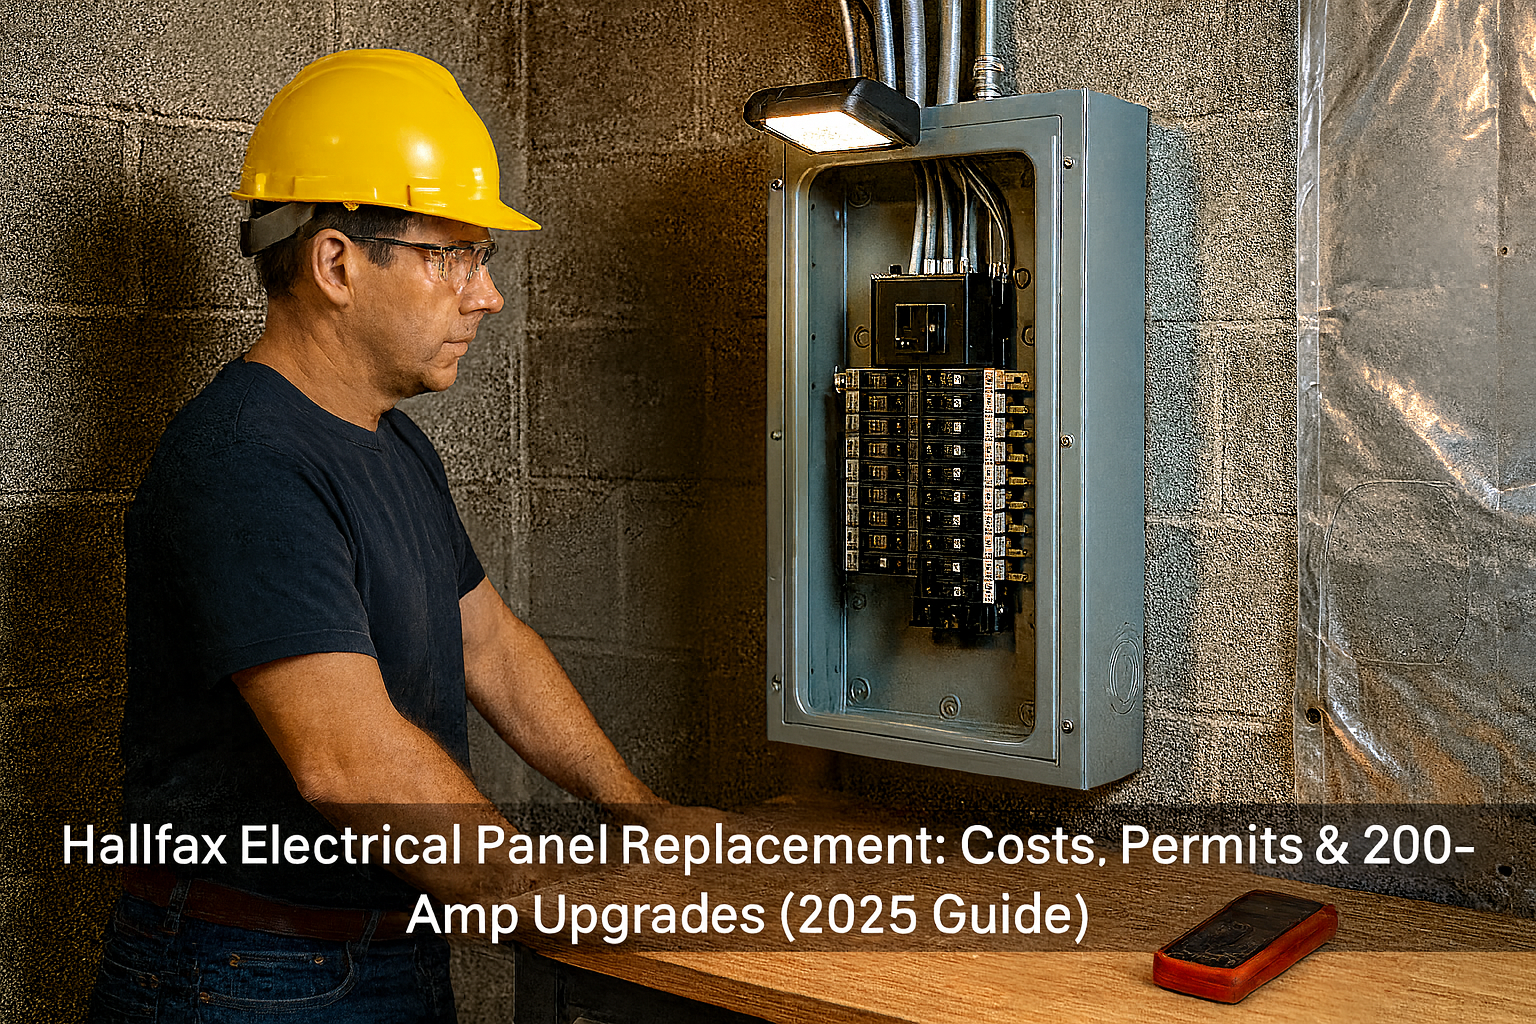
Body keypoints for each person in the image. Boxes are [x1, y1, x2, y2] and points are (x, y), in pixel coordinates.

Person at [88, 49, 669, 1023]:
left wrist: (641, 816)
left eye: (481, 259)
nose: (484, 295)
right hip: (249, 974)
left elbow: (493, 646)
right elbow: (347, 759)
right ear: (336, 263)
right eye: (454, 256)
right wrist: (546, 894)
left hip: (380, 954)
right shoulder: (245, 458)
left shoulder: (394, 447)